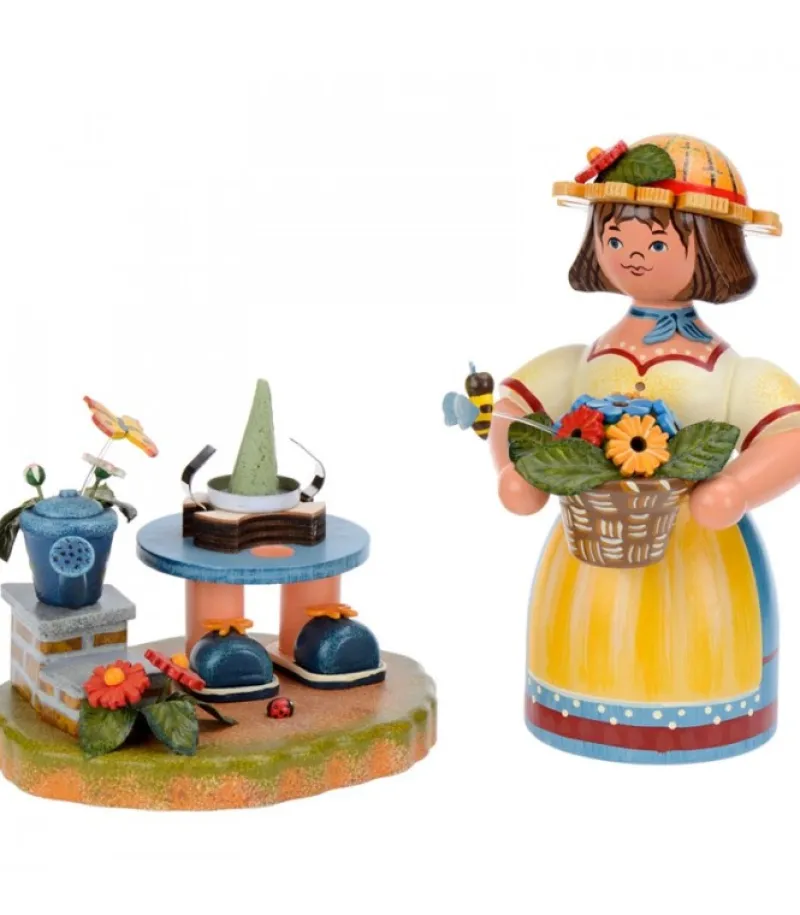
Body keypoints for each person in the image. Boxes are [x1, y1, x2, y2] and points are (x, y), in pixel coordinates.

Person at [489, 135, 800, 762]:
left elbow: (788, 432)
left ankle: (702, 720)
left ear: (712, 248)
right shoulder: (584, 358)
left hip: (698, 550)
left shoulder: (727, 369)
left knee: (693, 640)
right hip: (591, 541)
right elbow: (513, 407)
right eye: (616, 238)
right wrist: (513, 469)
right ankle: (574, 712)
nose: (632, 254)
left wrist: (735, 487)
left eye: (657, 243)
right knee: (587, 632)